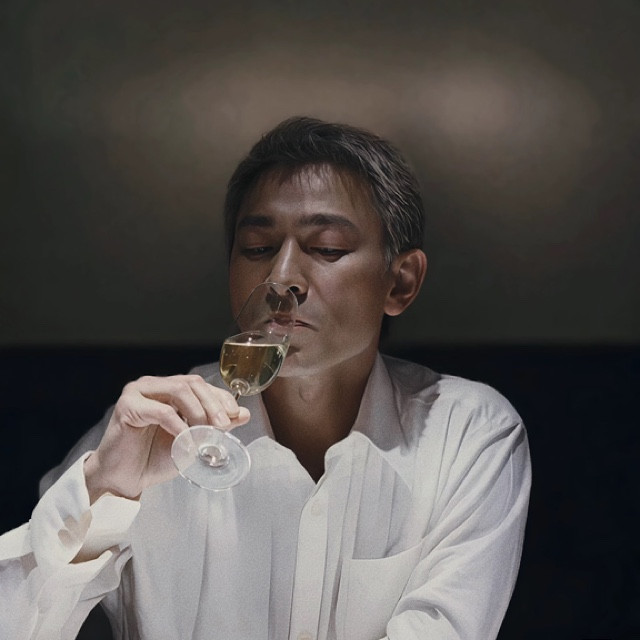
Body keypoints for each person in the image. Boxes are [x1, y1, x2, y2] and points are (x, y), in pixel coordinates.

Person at [0, 116, 531, 640]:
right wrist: (104, 488)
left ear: (401, 282)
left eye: (326, 248)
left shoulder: (466, 434)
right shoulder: (154, 432)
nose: (281, 279)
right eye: (257, 249)